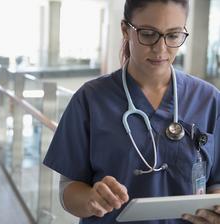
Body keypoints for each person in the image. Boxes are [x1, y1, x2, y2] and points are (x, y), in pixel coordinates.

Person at [43, 0, 220, 223]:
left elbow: (216, 183)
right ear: (125, 30)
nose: (160, 48)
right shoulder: (90, 99)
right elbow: (68, 190)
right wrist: (91, 198)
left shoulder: (208, 100)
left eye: (173, 36)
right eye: (148, 34)